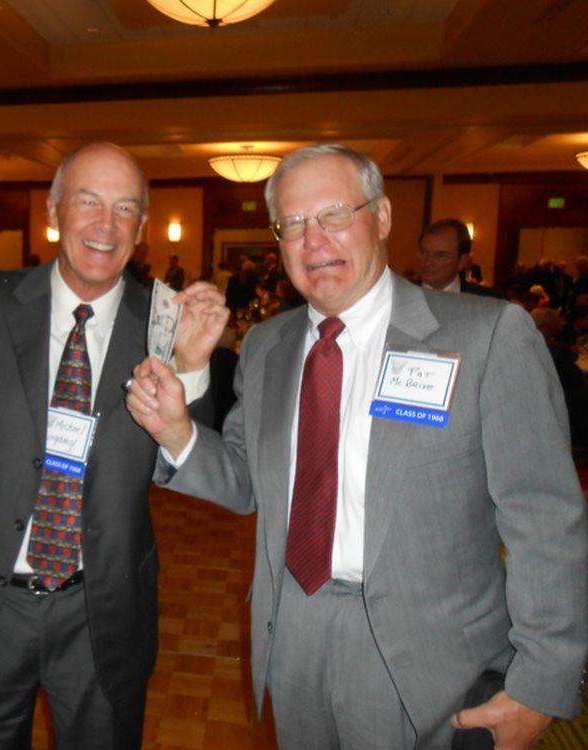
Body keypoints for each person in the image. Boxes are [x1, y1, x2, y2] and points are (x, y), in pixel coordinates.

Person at [125, 143, 588, 750]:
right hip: (294, 632)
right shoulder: (266, 346)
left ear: (383, 217)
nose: (314, 240)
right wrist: (175, 430)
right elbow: (246, 482)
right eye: (293, 224)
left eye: (335, 214)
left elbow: (545, 516)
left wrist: (543, 681)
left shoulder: (486, 336)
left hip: (431, 657)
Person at [0, 142, 228, 749]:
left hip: (102, 611)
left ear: (141, 226)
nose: (105, 224)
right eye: (88, 202)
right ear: (54, 211)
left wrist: (191, 367)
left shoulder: (168, 325)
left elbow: (192, 468)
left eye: (124, 208)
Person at [417, 218, 502, 297]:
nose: (427, 262)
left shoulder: (488, 300)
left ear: (462, 261)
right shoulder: (408, 293)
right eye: (423, 252)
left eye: (440, 256)